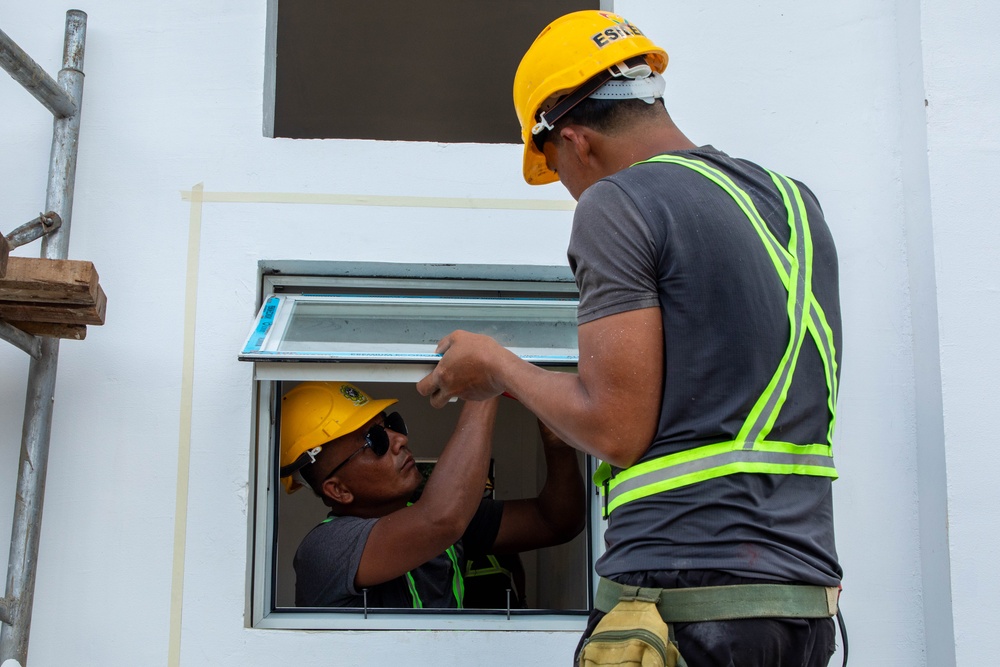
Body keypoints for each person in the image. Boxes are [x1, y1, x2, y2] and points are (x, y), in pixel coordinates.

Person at [416, 10, 843, 665]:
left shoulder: (620, 203)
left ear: (575, 139)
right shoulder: (794, 203)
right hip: (802, 607)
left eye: (555, 166)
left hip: (682, 606)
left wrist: (500, 367)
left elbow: (615, 428)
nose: (568, 187)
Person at [278, 381, 585, 609]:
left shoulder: (440, 517)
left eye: (391, 424)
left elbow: (556, 521)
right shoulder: (325, 550)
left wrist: (558, 445)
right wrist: (487, 383)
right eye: (375, 441)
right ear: (339, 490)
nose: (399, 439)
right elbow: (441, 520)